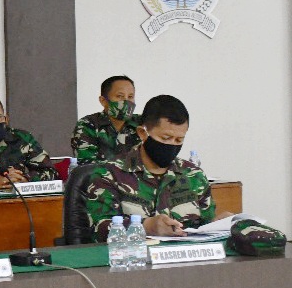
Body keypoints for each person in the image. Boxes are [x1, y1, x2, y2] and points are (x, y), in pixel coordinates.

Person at [84, 95, 230, 241]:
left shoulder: (194, 175)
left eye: (179, 140)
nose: (172, 145)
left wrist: (217, 224)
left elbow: (204, 228)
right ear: (142, 133)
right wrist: (145, 227)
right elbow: (99, 230)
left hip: (183, 253)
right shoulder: (109, 174)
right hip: (134, 253)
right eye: (165, 138)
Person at [71, 75, 141, 164]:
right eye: (120, 96)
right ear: (103, 101)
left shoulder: (142, 123)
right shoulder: (88, 125)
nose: (126, 101)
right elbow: (87, 166)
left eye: (130, 96)